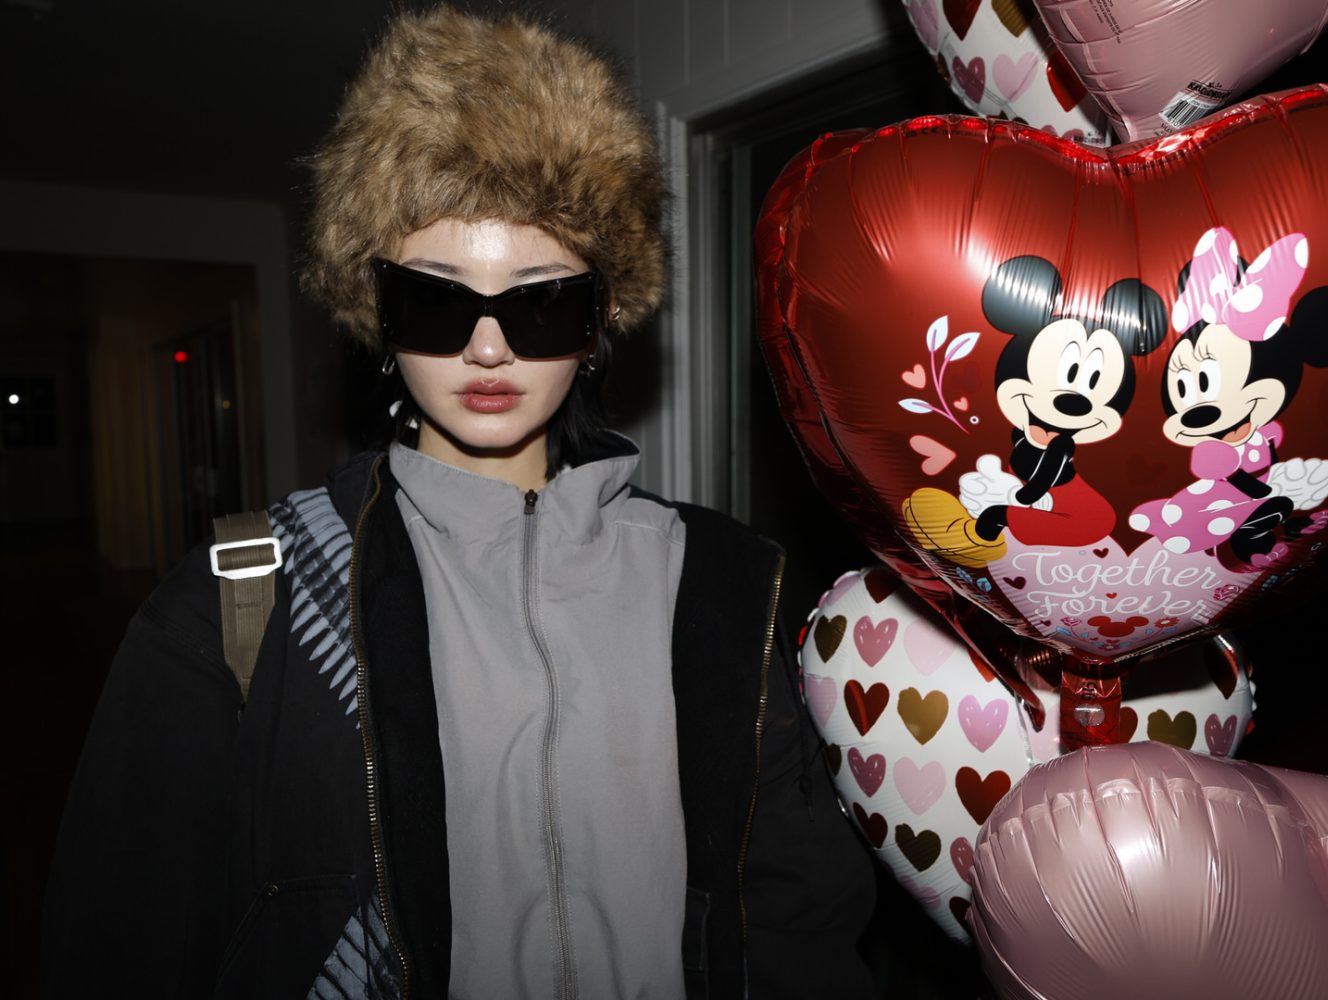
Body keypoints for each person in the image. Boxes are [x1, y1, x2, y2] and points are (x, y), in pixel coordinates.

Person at [40, 5, 876, 998]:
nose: (487, 347)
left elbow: (797, 920)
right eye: (436, 299)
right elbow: (123, 942)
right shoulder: (237, 605)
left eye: (541, 301)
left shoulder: (727, 584)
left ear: (602, 317)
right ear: (377, 311)